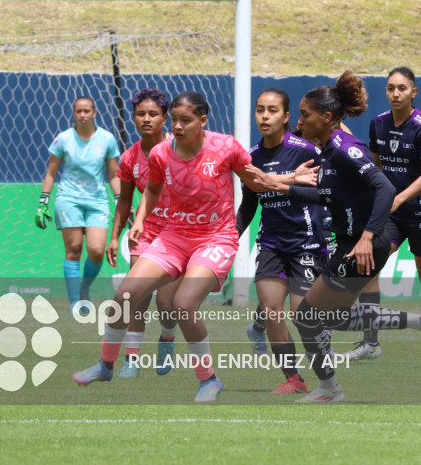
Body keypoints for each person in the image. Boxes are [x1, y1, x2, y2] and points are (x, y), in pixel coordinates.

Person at [73, 91, 317, 402]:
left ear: (202, 121)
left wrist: (291, 178)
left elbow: (255, 181)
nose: (177, 126)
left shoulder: (225, 147)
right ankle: (106, 365)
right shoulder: (161, 153)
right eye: (174, 120)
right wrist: (139, 221)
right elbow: (152, 190)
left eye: (185, 121)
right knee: (125, 295)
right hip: (174, 237)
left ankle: (209, 380)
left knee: (183, 303)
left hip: (216, 238)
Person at [257, 71, 421, 403]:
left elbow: (384, 186)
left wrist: (367, 236)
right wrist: (283, 186)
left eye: (305, 115)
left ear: (327, 117)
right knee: (330, 317)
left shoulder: (346, 148)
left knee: (307, 316)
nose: (300, 123)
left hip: (363, 246)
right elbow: (330, 196)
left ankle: (329, 389)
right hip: (353, 245)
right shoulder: (329, 152)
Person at [344, 66, 421, 364]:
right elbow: (377, 168)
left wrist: (398, 198)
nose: (396, 93)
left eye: (402, 88)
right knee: (368, 269)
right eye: (390, 88)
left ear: (413, 92)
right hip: (390, 216)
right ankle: (370, 343)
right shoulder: (378, 124)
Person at [236, 88, 328, 394]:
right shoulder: (251, 157)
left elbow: (322, 193)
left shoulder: (305, 151)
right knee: (272, 308)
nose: (264, 116)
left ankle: (327, 381)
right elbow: (250, 202)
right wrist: (232, 237)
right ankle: (293, 378)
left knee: (303, 316)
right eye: (260, 109)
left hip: (306, 244)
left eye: (272, 110)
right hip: (272, 244)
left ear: (286, 116)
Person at [105, 88, 179, 378]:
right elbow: (124, 201)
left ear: (165, 118)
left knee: (166, 302)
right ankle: (132, 359)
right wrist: (114, 237)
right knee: (136, 297)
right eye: (140, 114)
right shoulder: (128, 158)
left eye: (153, 114)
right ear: (133, 117)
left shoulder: (179, 147)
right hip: (145, 233)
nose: (146, 119)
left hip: (178, 233)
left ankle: (167, 339)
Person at [35, 96, 121, 311]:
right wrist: (43, 200)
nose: (83, 115)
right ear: (73, 113)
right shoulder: (63, 139)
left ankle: (84, 287)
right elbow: (51, 172)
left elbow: (113, 175)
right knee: (73, 249)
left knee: (96, 250)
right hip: (68, 199)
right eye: (79, 111)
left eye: (87, 111)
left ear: (94, 113)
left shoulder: (107, 139)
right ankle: (75, 301)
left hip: (97, 201)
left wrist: (120, 200)